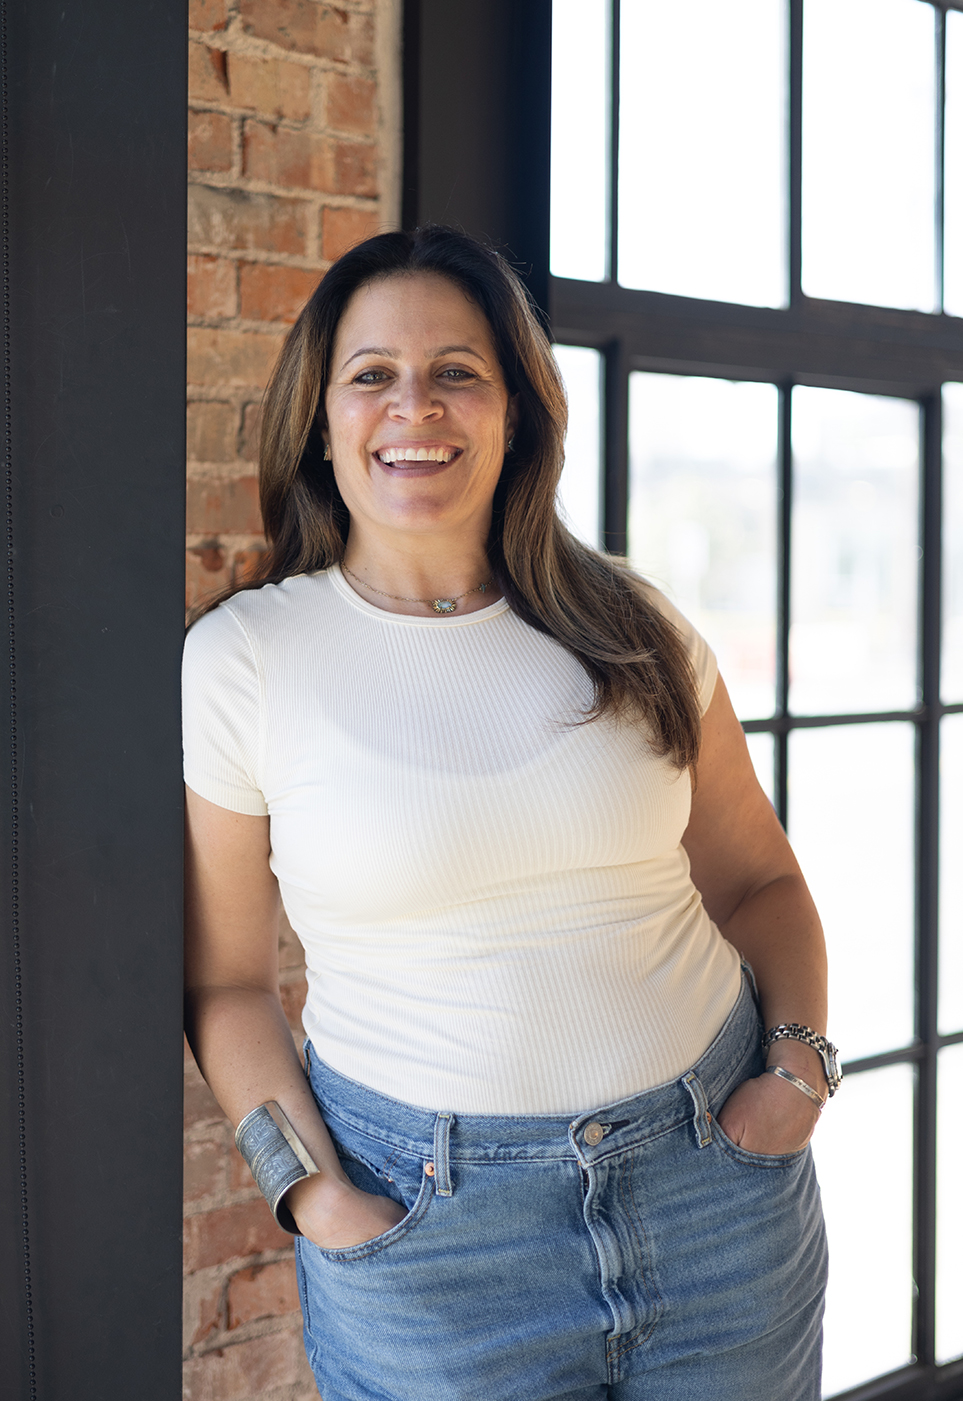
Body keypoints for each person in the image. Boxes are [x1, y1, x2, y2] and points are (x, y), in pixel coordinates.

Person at [182, 225, 835, 1401]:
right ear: (321, 422)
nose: (412, 407)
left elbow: (758, 885)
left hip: (717, 1198)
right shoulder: (247, 661)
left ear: (519, 412)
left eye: (457, 373)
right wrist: (306, 1191)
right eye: (371, 374)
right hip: (432, 1245)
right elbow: (229, 981)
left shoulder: (636, 628)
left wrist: (795, 1075)